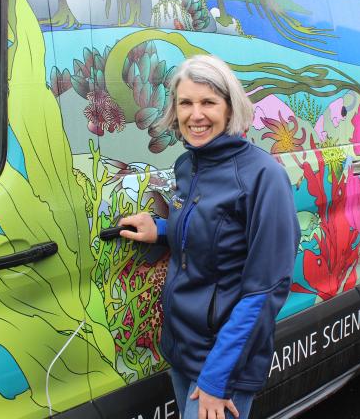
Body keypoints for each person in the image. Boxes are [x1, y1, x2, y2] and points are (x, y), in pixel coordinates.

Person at [119, 54, 298, 419]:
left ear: (230, 108)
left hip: (223, 360)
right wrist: (162, 230)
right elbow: (213, 236)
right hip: (182, 347)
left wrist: (218, 379)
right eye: (186, 103)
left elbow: (265, 290)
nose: (195, 114)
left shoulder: (264, 177)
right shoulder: (188, 165)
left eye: (208, 103)